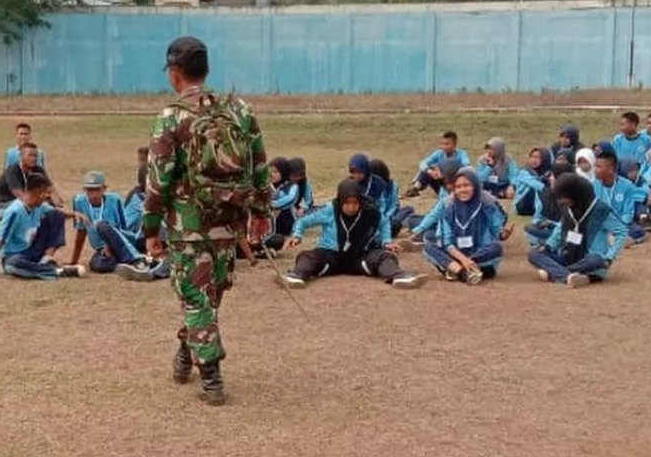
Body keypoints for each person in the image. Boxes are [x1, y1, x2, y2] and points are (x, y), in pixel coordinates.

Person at [143, 36, 270, 406]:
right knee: (206, 298)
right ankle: (188, 352)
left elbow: (157, 178)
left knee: (197, 299)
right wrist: (260, 214)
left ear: (175, 72)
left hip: (189, 228)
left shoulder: (171, 117)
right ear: (207, 69)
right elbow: (259, 164)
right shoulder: (240, 111)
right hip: (229, 223)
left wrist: (151, 229)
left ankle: (210, 375)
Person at [280, 179, 426, 289]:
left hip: (359, 257)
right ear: (340, 200)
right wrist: (297, 235)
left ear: (360, 201)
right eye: (347, 203)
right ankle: (296, 276)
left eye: (355, 203)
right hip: (330, 256)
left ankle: (399, 277)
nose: (351, 207)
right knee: (308, 256)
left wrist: (386, 241)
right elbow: (303, 221)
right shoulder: (330, 209)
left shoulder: (369, 211)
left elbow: (384, 221)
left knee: (384, 256)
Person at [0, 173, 84, 281]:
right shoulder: (14, 212)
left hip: (33, 249)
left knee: (56, 215)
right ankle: (57, 271)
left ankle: (46, 260)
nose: (47, 197)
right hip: (15, 255)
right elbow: (0, 242)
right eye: (46, 194)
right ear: (40, 194)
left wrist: (75, 214)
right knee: (13, 265)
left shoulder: (39, 206)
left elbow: (58, 212)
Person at [528, 172, 627, 288]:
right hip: (566, 257)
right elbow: (560, 229)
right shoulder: (568, 208)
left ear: (576, 194)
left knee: (596, 260)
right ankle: (571, 277)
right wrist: (548, 246)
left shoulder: (600, 210)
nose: (561, 201)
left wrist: (610, 257)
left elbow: (621, 232)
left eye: (564, 196)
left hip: (589, 260)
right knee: (534, 253)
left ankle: (555, 273)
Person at [68, 171, 163, 280]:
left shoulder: (114, 200)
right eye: (89, 190)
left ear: (104, 189)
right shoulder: (79, 202)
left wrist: (109, 244)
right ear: (84, 190)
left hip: (121, 242)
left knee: (101, 225)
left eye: (97, 189)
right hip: (102, 250)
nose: (93, 194)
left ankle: (139, 261)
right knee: (96, 264)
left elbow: (122, 228)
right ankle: (130, 267)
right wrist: (74, 261)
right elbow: (81, 232)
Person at [422, 168, 508, 285]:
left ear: (475, 186)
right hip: (456, 255)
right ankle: (463, 272)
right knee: (429, 246)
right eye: (458, 187)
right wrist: (464, 260)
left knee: (496, 248)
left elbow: (497, 231)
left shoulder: (487, 206)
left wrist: (503, 234)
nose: (462, 190)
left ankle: (456, 271)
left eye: (466, 185)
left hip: (479, 256)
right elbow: (446, 242)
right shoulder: (448, 209)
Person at [591, 151, 648, 245]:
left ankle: (613, 239)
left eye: (598, 167)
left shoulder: (627, 186)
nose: (595, 170)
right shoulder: (593, 185)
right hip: (600, 224)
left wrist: (615, 227)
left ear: (610, 169)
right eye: (595, 166)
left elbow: (628, 213)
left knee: (638, 231)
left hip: (620, 223)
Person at [406, 130, 470, 197]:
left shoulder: (461, 154)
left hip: (455, 185)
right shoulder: (439, 153)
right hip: (441, 184)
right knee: (428, 168)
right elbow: (423, 163)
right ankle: (415, 189)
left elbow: (467, 166)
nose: (444, 147)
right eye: (443, 144)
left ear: (455, 145)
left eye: (447, 144)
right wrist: (429, 171)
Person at [513, 147, 553, 216]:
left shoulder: (550, 172)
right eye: (532, 157)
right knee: (534, 188)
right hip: (523, 205)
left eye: (538, 158)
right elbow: (537, 185)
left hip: (542, 204)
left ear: (545, 159)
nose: (534, 160)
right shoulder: (524, 172)